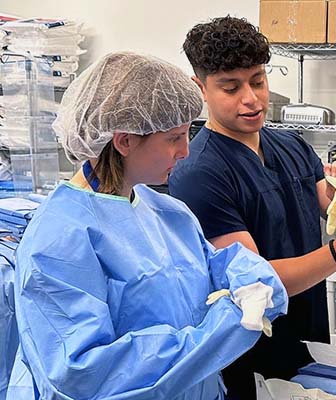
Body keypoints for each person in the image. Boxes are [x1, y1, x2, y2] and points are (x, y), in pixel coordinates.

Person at [10, 51, 289, 400]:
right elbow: (82, 372)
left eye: (189, 134)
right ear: (125, 140)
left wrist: (252, 280)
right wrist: (218, 331)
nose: (185, 151)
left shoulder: (167, 212)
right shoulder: (60, 240)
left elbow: (216, 265)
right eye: (174, 138)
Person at [168, 16, 336, 400]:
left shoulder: (292, 145)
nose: (251, 99)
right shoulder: (199, 174)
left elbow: (325, 204)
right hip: (250, 355)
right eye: (230, 88)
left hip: (309, 341)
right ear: (199, 88)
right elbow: (257, 282)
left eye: (258, 81)